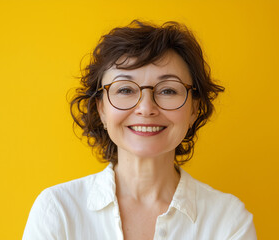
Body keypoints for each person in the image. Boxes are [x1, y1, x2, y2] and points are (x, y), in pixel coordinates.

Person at [22, 20, 257, 240]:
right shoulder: (57, 210)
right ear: (101, 108)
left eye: (168, 90)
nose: (146, 108)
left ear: (195, 108)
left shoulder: (228, 220)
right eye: (125, 90)